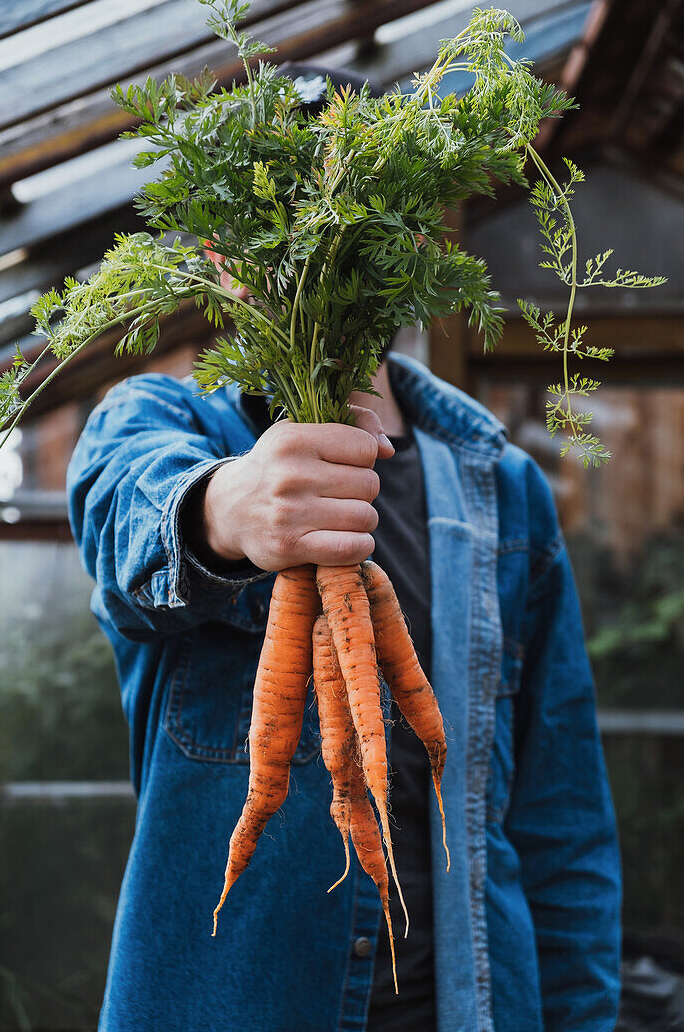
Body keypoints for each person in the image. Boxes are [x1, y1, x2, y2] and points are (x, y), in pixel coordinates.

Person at [66, 65, 622, 1032]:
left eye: (352, 210)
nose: (316, 245)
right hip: (225, 1001)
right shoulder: (163, 425)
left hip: (469, 1005)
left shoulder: (504, 492)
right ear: (221, 255)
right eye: (278, 219)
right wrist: (224, 509)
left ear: (411, 237)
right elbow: (124, 520)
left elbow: (559, 820)